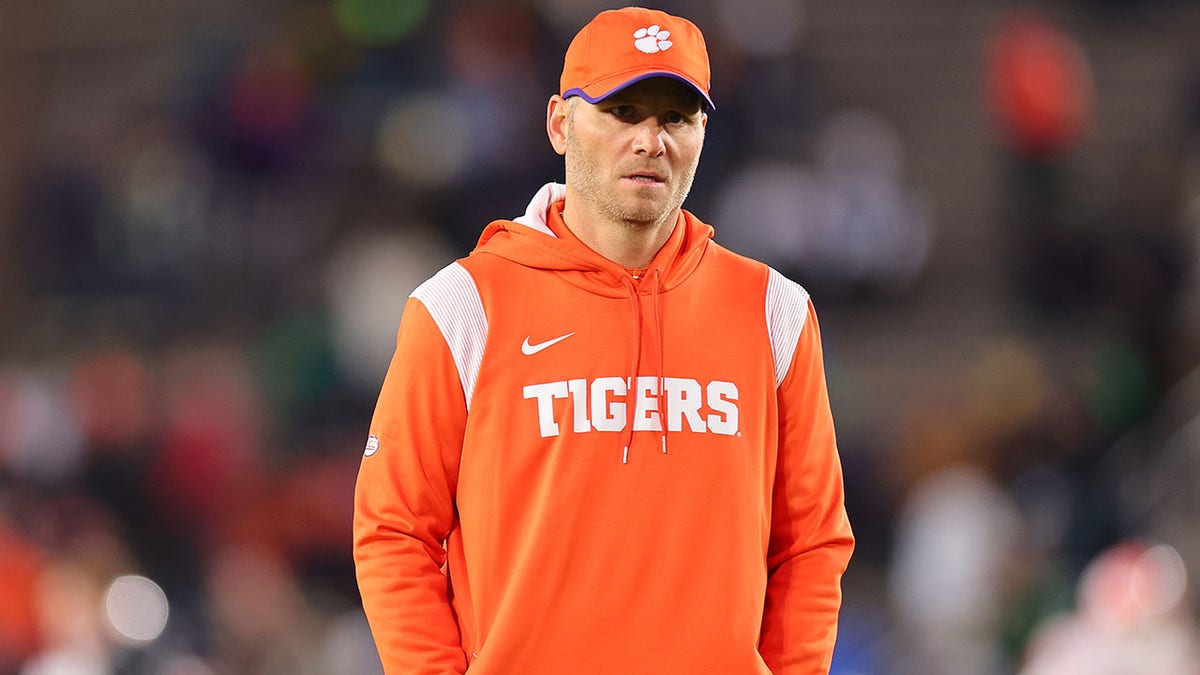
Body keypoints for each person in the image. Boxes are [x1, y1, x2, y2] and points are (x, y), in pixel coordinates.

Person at [353, 7, 854, 674]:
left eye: (676, 117)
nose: (651, 139)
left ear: (705, 130)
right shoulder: (462, 306)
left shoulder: (774, 311)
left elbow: (811, 542)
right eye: (623, 112)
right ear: (561, 123)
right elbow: (393, 530)